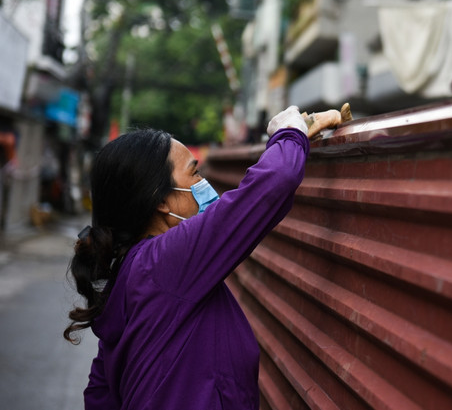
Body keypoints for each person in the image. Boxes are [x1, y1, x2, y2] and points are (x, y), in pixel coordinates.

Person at [65, 106, 339, 409]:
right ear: (161, 200)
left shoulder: (127, 275)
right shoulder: (164, 263)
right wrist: (291, 133)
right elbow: (273, 184)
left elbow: (99, 397)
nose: (204, 183)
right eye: (195, 172)